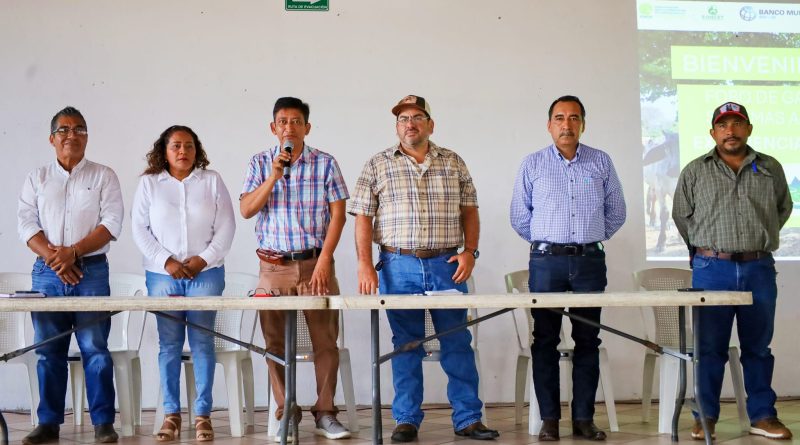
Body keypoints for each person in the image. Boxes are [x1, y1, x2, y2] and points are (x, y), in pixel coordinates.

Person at [349, 95, 499, 443]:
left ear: (431, 124)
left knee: (457, 341)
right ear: (396, 127)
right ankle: (406, 420)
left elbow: (470, 210)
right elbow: (362, 218)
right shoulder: (378, 164)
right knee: (406, 344)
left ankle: (467, 418)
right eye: (403, 118)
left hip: (447, 265)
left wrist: (470, 252)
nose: (410, 123)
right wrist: (363, 264)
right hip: (397, 265)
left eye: (417, 117)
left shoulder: (453, 162)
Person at [672, 102, 793, 441]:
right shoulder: (696, 170)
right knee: (710, 349)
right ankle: (705, 416)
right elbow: (682, 216)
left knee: (758, 348)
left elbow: (782, 208)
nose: (730, 130)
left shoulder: (770, 167)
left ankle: (763, 416)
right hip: (712, 269)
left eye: (737, 123)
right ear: (713, 132)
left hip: (758, 268)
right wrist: (708, 251)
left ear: (749, 129)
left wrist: (755, 240)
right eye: (723, 125)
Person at [510, 95, 626, 442]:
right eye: (559, 118)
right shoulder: (533, 164)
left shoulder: (600, 162)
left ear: (583, 124)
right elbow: (519, 216)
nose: (566, 124)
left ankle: (583, 419)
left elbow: (617, 211)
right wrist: (551, 243)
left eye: (574, 118)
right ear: (549, 125)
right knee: (544, 339)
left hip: (590, 262)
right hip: (546, 263)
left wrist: (587, 239)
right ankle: (549, 420)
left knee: (587, 339)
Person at [240, 97, 351, 441]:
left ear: (307, 127)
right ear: (274, 128)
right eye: (283, 122)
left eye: (296, 121)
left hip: (315, 263)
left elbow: (338, 215)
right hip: (273, 267)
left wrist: (325, 261)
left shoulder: (325, 163)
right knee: (273, 343)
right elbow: (246, 209)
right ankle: (286, 409)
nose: (289, 127)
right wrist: (273, 176)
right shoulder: (260, 163)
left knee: (325, 342)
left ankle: (326, 411)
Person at [17, 106, 124, 444]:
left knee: (95, 347)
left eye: (79, 129)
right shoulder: (37, 178)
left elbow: (111, 224)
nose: (72, 135)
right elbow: (26, 223)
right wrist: (55, 257)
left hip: (91, 272)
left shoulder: (104, 176)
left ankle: (103, 423)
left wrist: (73, 253)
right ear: (52, 139)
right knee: (49, 350)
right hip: (47, 274)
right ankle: (48, 424)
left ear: (87, 137)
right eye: (64, 130)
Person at [131, 125, 235, 441]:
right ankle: (171, 415)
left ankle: (203, 415)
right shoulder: (150, 184)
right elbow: (140, 229)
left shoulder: (212, 181)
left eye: (189, 146)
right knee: (170, 345)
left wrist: (203, 259)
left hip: (206, 274)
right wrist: (168, 262)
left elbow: (227, 226)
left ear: (196, 150)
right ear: (164, 150)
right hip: (163, 277)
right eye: (176, 145)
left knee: (203, 342)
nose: (183, 151)